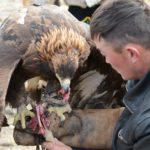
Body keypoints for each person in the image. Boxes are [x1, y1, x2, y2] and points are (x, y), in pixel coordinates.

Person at [42, 0, 150, 149]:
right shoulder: (140, 79)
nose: (105, 60)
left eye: (104, 54)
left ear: (131, 53)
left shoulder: (147, 126)